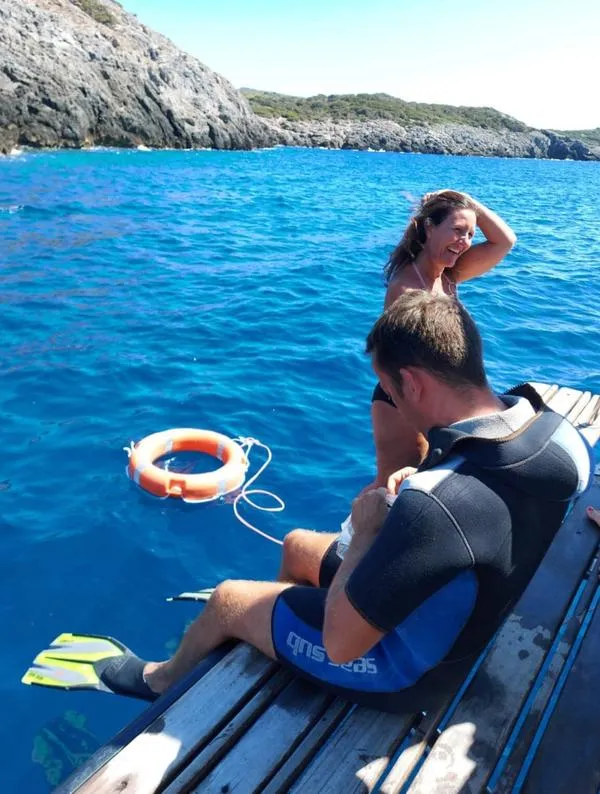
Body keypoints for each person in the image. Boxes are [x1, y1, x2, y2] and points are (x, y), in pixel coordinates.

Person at [23, 292, 593, 712]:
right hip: (469, 607)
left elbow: (343, 645)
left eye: (391, 392)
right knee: (297, 545)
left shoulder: (435, 503)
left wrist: (367, 532)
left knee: (227, 598)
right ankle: (275, 624)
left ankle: (160, 678)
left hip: (410, 671)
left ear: (415, 383)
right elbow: (481, 509)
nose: (393, 405)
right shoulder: (560, 433)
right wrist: (426, 490)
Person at [371, 190, 517, 492]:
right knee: (391, 482)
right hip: (403, 396)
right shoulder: (406, 288)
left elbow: (505, 241)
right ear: (429, 228)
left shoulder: (449, 275)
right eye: (457, 230)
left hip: (438, 394)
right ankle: (358, 522)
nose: (464, 241)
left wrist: (467, 200)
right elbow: (392, 359)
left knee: (422, 477)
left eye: (470, 234)